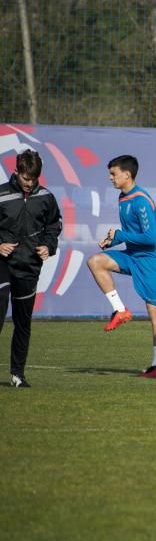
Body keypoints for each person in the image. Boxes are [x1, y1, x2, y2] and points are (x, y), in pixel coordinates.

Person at [87, 155, 156, 377]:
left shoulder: (141, 200)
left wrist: (120, 235)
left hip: (152, 259)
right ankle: (120, 310)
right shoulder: (123, 198)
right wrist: (112, 241)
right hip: (133, 255)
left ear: (127, 174)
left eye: (113, 174)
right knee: (96, 261)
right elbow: (133, 235)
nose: (110, 178)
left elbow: (150, 237)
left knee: (155, 312)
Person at [0, 150, 62, 388]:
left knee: (22, 323)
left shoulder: (46, 198)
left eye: (34, 179)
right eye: (26, 178)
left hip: (29, 268)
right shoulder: (2, 194)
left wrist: (48, 246)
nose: (30, 183)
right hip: (2, 264)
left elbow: (54, 225)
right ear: (16, 172)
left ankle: (17, 375)